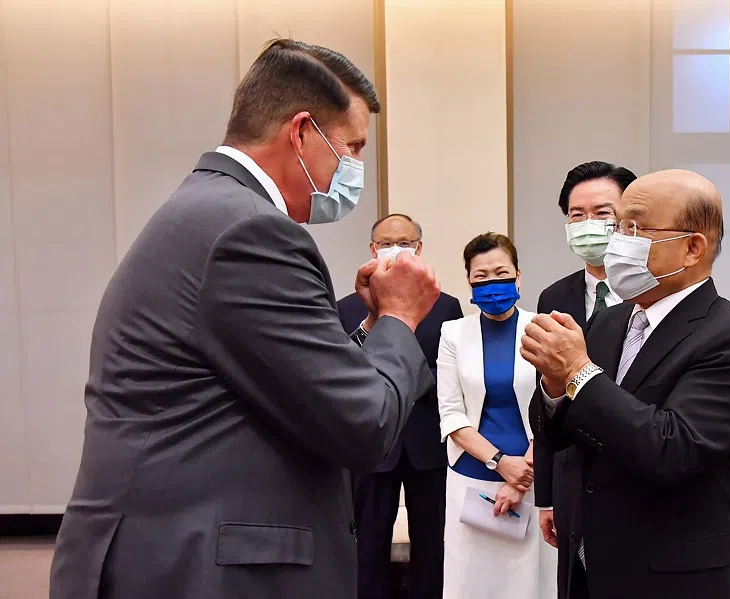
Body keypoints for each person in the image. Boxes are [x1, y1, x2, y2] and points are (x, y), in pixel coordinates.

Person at [49, 39, 441, 599]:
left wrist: (372, 328)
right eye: (351, 148)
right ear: (302, 133)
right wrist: (402, 317)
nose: (353, 170)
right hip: (202, 569)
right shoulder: (252, 232)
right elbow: (364, 426)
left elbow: (285, 381)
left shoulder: (210, 209)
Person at [523, 170, 730, 599]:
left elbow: (671, 448)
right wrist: (552, 383)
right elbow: (562, 433)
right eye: (616, 226)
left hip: (681, 576)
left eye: (633, 228)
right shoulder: (610, 321)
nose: (616, 240)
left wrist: (578, 374)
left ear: (693, 247)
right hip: (591, 564)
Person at [336, 213, 463, 599]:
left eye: (405, 242)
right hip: (372, 444)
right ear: (372, 250)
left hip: (428, 441)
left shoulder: (445, 305)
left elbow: (452, 376)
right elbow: (343, 372)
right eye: (386, 243)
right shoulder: (347, 308)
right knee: (368, 541)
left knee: (433, 542)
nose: (396, 249)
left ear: (419, 249)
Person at [437, 233, 557, 599]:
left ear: (518, 276)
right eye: (481, 277)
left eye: (501, 273)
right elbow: (451, 413)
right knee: (470, 583)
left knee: (530, 583)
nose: (492, 284)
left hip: (534, 475)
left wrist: (521, 477)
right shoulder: (454, 332)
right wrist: (501, 463)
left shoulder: (544, 328)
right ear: (470, 282)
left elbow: (555, 405)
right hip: (471, 477)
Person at [533, 162, 637, 566]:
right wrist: (547, 496)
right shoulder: (554, 296)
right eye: (578, 215)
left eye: (602, 213)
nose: (588, 224)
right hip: (573, 478)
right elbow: (547, 397)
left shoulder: (652, 294)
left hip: (636, 471)